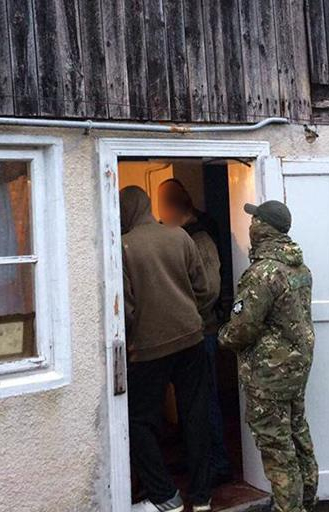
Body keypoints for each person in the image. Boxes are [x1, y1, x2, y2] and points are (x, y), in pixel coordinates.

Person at [120, 186, 217, 512]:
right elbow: (203, 288)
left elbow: (126, 308)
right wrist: (187, 314)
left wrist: (131, 339)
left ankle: (165, 496)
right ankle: (202, 497)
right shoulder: (180, 236)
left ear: (125, 210)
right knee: (195, 415)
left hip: (149, 348)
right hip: (191, 338)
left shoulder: (124, 246)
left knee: (138, 421)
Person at [219, 201, 318, 512]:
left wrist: (223, 337)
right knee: (297, 434)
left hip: (270, 373)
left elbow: (244, 327)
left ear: (262, 227)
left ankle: (288, 507)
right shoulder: (298, 267)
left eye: (254, 220)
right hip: (296, 367)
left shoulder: (262, 273)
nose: (250, 226)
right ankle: (305, 501)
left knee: (276, 445)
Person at [158, 178, 234, 486]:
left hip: (203, 332)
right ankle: (197, 460)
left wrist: (183, 311)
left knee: (205, 401)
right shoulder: (182, 235)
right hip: (189, 332)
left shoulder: (200, 239)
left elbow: (210, 290)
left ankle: (218, 463)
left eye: (162, 207)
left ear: (174, 206)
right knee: (190, 402)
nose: (160, 215)